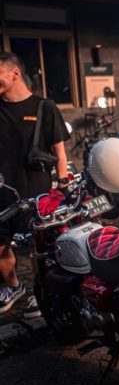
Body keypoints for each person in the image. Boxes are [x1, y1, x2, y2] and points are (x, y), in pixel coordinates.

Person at [0, 52, 70, 315]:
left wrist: (63, 184)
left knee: (37, 247)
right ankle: (14, 287)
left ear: (14, 74)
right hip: (2, 191)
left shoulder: (44, 107)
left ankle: (41, 293)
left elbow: (60, 152)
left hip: (35, 191)